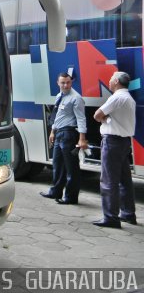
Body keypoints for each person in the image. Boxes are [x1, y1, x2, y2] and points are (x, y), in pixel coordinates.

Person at [91, 71, 137, 228]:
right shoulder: (129, 98)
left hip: (112, 143)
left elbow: (97, 115)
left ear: (116, 81)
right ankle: (128, 214)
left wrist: (105, 118)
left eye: (111, 79)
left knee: (109, 181)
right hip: (124, 143)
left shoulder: (117, 97)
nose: (109, 82)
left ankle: (111, 217)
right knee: (125, 181)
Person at [39, 72, 88, 204]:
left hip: (68, 134)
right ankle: (55, 191)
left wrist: (82, 138)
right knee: (57, 165)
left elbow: (81, 119)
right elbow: (58, 115)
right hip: (59, 133)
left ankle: (71, 197)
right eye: (63, 83)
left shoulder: (76, 98)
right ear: (58, 83)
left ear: (71, 82)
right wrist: (52, 132)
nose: (65, 85)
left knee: (72, 168)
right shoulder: (59, 96)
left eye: (68, 82)